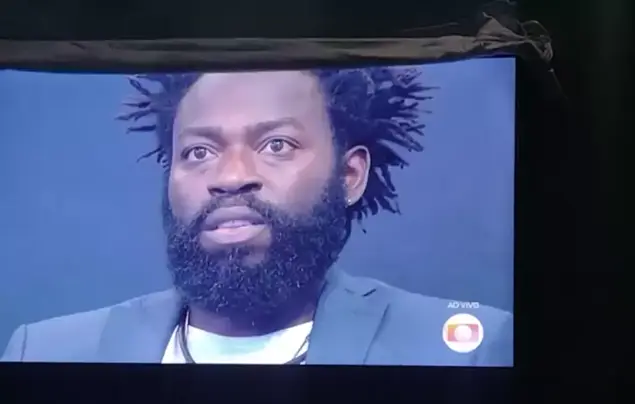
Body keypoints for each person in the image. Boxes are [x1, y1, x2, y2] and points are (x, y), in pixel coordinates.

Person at [1, 68, 512, 366]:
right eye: (199, 152)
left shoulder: (466, 348)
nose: (230, 176)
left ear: (349, 175)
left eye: (277, 144)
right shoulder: (43, 353)